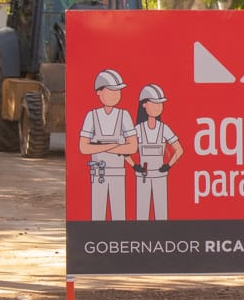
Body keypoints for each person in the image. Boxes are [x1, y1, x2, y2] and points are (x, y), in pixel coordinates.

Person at [79, 69, 138, 221]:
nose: (116, 95)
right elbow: (84, 147)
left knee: (119, 215)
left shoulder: (124, 115)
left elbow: (132, 147)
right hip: (99, 173)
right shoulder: (92, 116)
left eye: (118, 91)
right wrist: (115, 145)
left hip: (118, 173)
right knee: (97, 215)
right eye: (111, 90)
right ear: (99, 92)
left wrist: (101, 145)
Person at [127, 84, 184, 220]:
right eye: (154, 103)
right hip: (143, 176)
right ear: (144, 105)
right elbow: (124, 151)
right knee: (142, 214)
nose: (158, 107)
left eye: (160, 104)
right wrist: (134, 165)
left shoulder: (164, 128)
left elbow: (179, 149)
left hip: (160, 176)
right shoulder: (138, 129)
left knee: (161, 213)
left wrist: (168, 165)